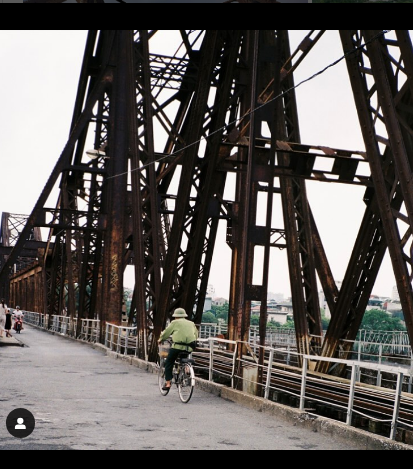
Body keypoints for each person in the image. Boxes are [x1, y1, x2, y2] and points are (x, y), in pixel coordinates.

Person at [158, 308, 198, 391]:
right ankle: (186, 369)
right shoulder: (191, 323)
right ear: (184, 316)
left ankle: (168, 383)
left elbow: (166, 333)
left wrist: (160, 339)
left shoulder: (174, 323)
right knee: (184, 357)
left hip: (177, 347)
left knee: (169, 362)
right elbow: (196, 335)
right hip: (189, 347)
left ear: (176, 316)